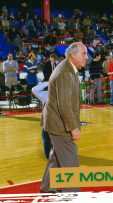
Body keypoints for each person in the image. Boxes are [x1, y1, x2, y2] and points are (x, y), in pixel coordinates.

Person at [40, 42, 88, 193]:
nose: (86, 57)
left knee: (56, 157)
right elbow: (65, 105)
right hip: (59, 124)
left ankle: (47, 188)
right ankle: (72, 195)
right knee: (70, 158)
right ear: (73, 55)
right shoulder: (65, 73)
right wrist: (73, 128)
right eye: (84, 54)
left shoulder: (68, 68)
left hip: (55, 120)